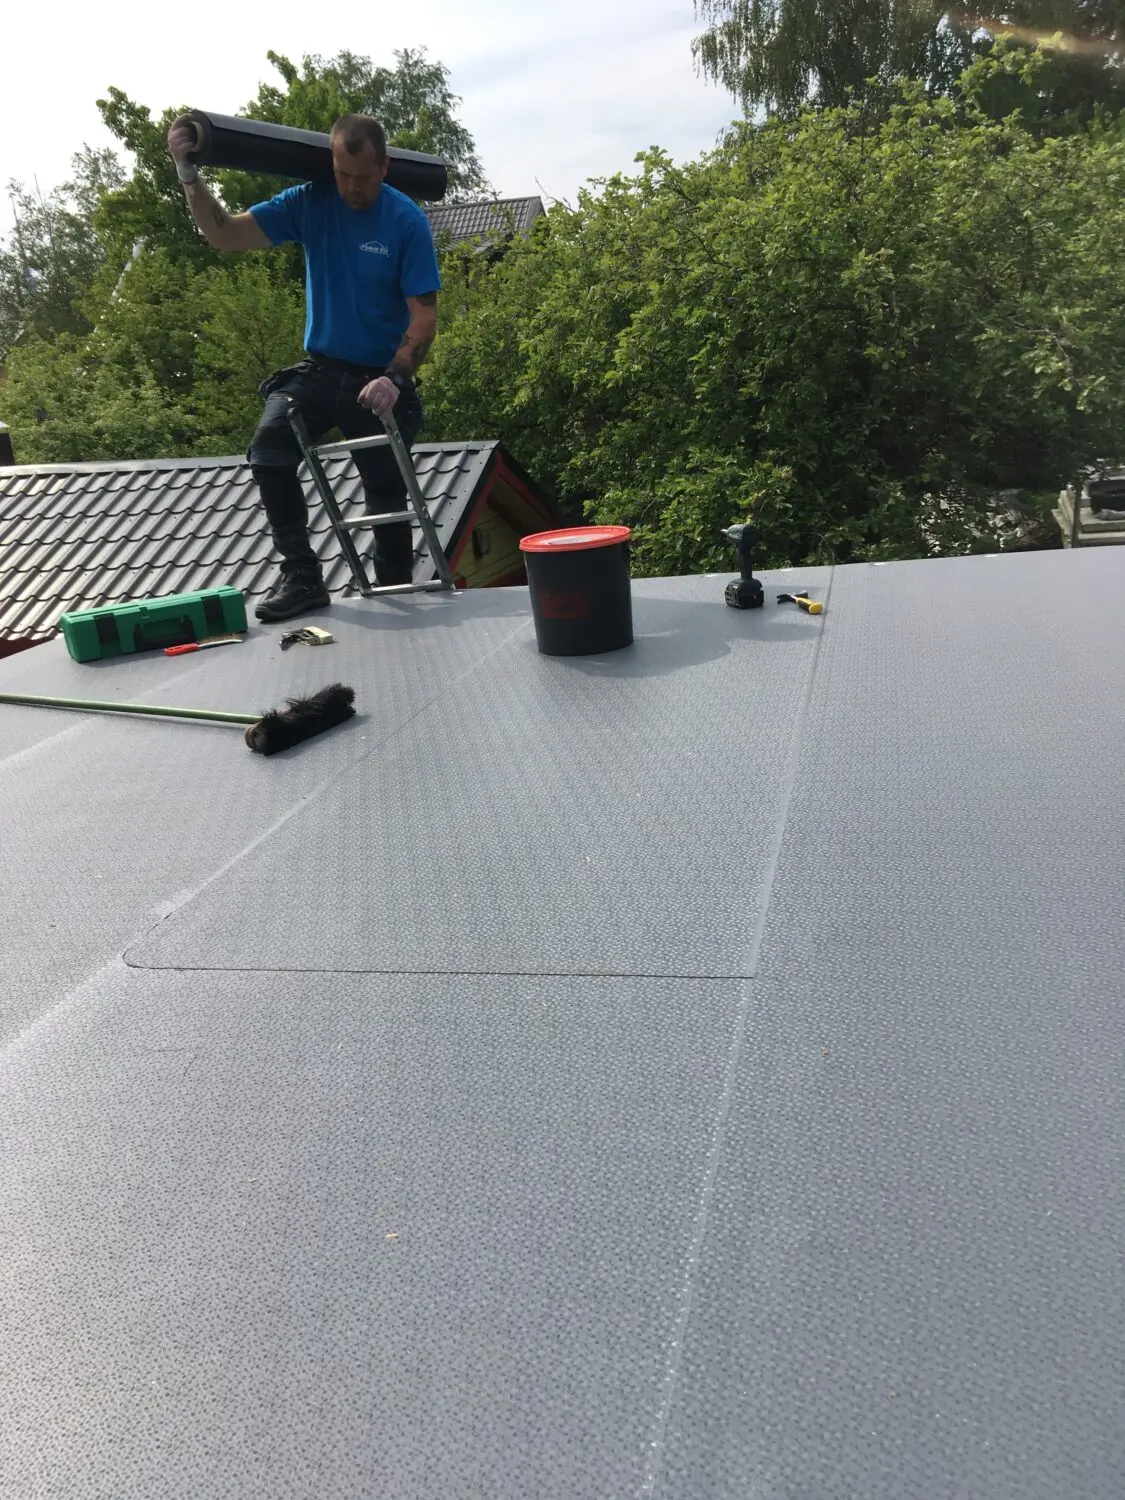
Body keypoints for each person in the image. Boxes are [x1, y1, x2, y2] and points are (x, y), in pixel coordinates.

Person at [166, 113, 441, 622]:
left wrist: (395, 378)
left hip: (380, 374)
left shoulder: (405, 220)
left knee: (384, 491)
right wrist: (188, 174)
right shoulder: (310, 201)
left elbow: (424, 318)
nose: (352, 188)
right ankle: (302, 576)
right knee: (269, 446)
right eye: (343, 175)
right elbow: (225, 234)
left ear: (384, 166)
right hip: (323, 370)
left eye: (363, 177)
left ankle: (399, 590)